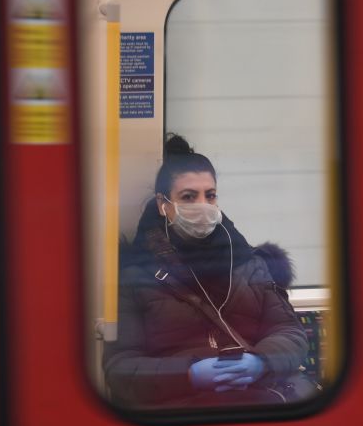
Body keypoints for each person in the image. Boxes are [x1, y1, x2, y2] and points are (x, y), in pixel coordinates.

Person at [104, 134, 312, 409]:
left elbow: (290, 332)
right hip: (181, 413)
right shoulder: (136, 276)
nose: (202, 205)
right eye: (188, 196)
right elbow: (121, 367)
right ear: (163, 205)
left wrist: (262, 362)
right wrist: (188, 375)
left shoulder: (249, 263)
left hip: (260, 405)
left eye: (210, 195)